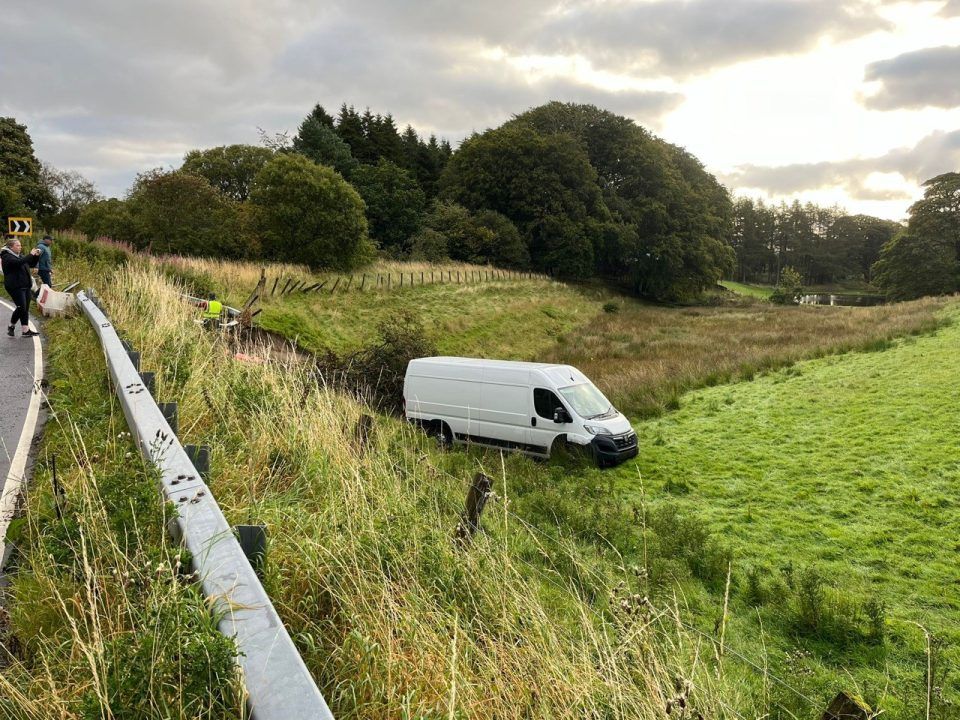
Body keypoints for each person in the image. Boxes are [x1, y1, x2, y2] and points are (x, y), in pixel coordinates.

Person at [1, 235, 41, 338]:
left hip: (25, 285)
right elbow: (18, 263)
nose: (20, 247)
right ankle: (11, 325)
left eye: (20, 245)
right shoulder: (7, 257)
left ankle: (25, 330)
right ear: (11, 247)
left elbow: (30, 263)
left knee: (25, 308)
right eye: (18, 245)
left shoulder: (19, 255)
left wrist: (36, 256)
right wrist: (30, 254)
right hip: (15, 286)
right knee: (21, 307)